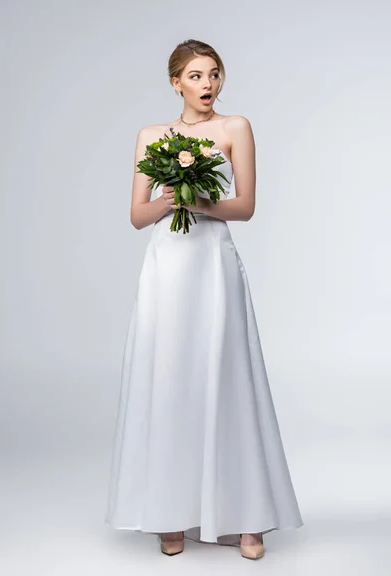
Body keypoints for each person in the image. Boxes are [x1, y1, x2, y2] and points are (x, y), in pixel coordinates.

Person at [104, 39, 304, 559]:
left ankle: (247, 517)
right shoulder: (152, 136)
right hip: (168, 267)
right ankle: (169, 513)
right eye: (195, 76)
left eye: (214, 74)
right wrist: (170, 197)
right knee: (169, 379)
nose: (208, 85)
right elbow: (137, 215)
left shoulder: (236, 127)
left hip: (213, 264)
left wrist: (202, 199)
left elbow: (246, 206)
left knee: (227, 378)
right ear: (175, 82)